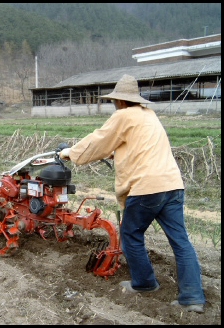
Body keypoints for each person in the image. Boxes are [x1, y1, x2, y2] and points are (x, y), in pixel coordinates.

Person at [59, 74, 206, 313]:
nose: (114, 105)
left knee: (130, 235)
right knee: (181, 242)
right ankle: (192, 298)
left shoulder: (123, 116)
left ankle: (145, 283)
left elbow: (99, 141)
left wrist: (69, 153)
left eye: (114, 101)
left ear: (121, 101)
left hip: (147, 187)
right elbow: (135, 148)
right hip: (173, 185)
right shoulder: (149, 116)